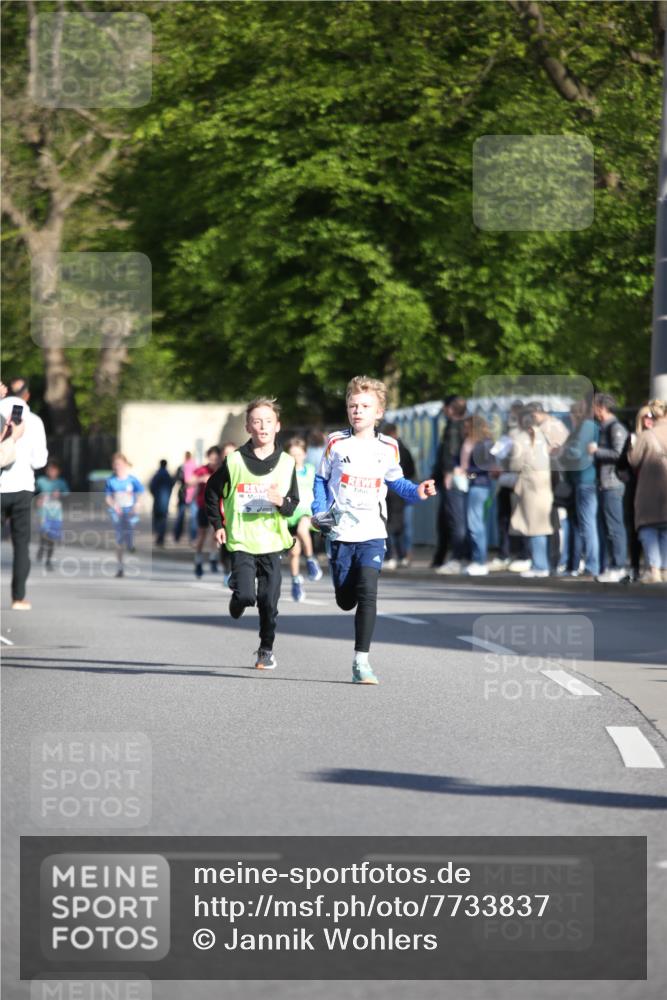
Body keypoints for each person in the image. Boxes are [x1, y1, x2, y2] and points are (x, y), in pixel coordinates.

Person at [312, 375, 436, 685]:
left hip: (372, 533)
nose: (358, 411)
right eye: (353, 405)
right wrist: (318, 511)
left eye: (365, 406)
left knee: (368, 592)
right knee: (345, 600)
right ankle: (341, 582)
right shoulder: (335, 442)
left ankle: (361, 661)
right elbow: (320, 480)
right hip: (340, 533)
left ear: (378, 412)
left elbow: (396, 481)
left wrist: (417, 490)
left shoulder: (389, 446)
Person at [205, 398, 300, 670]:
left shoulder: (287, 462)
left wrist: (281, 501)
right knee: (247, 597)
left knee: (269, 602)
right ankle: (237, 596)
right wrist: (218, 525)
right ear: (248, 427)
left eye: (268, 421)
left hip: (272, 542)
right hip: (242, 540)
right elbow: (211, 493)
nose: (262, 427)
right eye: (256, 422)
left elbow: (293, 503)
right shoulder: (234, 462)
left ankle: (265, 649)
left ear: (277, 426)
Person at [0, 378, 48, 609]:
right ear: (27, 396)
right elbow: (40, 461)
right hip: (22, 488)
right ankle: (18, 597)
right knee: (21, 544)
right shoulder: (35, 421)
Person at [508, 409, 553, 578]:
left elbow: (514, 464)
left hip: (530, 487)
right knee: (540, 527)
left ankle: (540, 565)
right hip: (543, 487)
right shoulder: (543, 437)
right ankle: (541, 563)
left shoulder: (521, 439)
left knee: (534, 528)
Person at [589, 393, 629, 582]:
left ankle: (619, 566)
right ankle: (612, 565)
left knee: (614, 527)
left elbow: (619, 453)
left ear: (602, 408)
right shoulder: (606, 428)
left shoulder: (615, 428)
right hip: (604, 483)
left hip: (612, 484)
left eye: (594, 407)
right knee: (607, 527)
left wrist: (597, 451)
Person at [628, 399, 667, 583]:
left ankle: (654, 569)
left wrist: (630, 449)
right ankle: (665, 569)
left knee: (648, 528)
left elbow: (634, 461)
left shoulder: (647, 436)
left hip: (649, 489)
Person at [561, 399, 599, 578]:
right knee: (581, 524)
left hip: (585, 480)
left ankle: (592, 565)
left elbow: (575, 452)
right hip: (581, 480)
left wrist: (564, 449)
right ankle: (578, 564)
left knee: (587, 524)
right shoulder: (586, 426)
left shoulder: (586, 426)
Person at [434, 395, 469, 574]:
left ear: (450, 409)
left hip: (453, 480)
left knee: (455, 519)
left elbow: (450, 452)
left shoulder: (453, 428)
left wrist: (448, 473)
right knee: (457, 519)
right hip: (465, 479)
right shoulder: (466, 426)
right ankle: (450, 557)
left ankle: (457, 557)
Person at [284, 436, 321, 602]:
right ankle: (296, 581)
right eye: (292, 454)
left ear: (305, 454)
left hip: (307, 514)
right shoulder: (283, 473)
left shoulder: (311, 470)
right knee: (294, 551)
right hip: (289, 516)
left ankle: (311, 560)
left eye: (298, 454)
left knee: (302, 526)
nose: (295, 458)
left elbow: (320, 488)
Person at [382, 422, 416, 569]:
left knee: (388, 524)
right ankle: (403, 555)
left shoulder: (383, 450)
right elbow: (412, 471)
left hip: (388, 492)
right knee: (402, 525)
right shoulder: (404, 450)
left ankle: (390, 556)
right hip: (403, 493)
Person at [105, 453, 144, 578]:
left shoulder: (132, 480)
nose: (119, 467)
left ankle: (131, 544)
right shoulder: (111, 481)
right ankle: (120, 567)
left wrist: (137, 504)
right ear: (113, 466)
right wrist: (114, 505)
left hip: (130, 511)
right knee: (119, 539)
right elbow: (108, 497)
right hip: (117, 512)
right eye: (116, 465)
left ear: (126, 465)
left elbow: (140, 493)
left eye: (121, 464)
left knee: (129, 530)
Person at [189, 446, 223, 577]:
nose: (213, 460)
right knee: (202, 534)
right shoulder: (202, 470)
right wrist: (200, 479)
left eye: (216, 458)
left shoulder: (222, 470)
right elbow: (189, 481)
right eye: (211, 457)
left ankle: (213, 557)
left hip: (219, 506)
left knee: (217, 533)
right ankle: (198, 559)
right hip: (203, 505)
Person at [35, 459, 70, 570]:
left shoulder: (61, 483)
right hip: (43, 513)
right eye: (50, 470)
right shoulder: (41, 481)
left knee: (52, 538)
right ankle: (41, 547)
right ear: (47, 471)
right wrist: (37, 500)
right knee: (44, 533)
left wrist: (60, 495)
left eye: (54, 470)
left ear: (58, 471)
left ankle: (48, 560)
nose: (52, 472)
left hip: (56, 514)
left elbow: (67, 495)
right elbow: (32, 493)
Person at [173, 450, 198, 543]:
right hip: (193, 494)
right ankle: (193, 538)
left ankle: (177, 536)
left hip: (184, 494)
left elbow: (178, 480)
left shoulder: (182, 467)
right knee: (193, 518)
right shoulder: (195, 467)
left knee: (181, 516)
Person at [149, 459, 174, 547]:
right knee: (163, 520)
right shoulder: (168, 475)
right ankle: (161, 538)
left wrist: (155, 495)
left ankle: (158, 537)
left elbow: (151, 486)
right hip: (165, 502)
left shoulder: (157, 475)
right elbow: (171, 486)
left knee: (157, 519)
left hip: (157, 501)